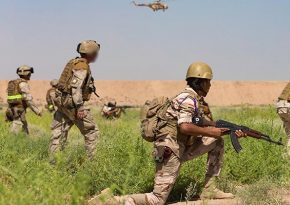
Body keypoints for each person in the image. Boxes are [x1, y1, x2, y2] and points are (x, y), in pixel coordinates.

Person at [89, 62, 246, 205]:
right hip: (169, 149)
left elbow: (200, 122)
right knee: (157, 200)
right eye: (209, 81)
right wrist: (213, 131)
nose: (210, 85)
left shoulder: (192, 99)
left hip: (181, 146)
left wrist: (227, 129)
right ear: (201, 81)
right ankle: (109, 200)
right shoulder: (188, 99)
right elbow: (185, 127)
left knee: (216, 141)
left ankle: (209, 189)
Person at [48, 40, 100, 160]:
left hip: (62, 103)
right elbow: (75, 88)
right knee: (91, 132)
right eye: (96, 53)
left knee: (59, 133)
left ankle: (53, 162)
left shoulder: (73, 62)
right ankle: (93, 163)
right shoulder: (82, 66)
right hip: (72, 104)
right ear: (91, 53)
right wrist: (80, 107)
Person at [6, 65, 41, 134]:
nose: (30, 75)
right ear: (27, 74)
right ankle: (12, 142)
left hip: (11, 109)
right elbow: (28, 100)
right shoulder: (23, 84)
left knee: (24, 128)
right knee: (15, 131)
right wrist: (37, 111)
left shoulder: (13, 83)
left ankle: (25, 140)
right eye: (30, 73)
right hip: (19, 110)